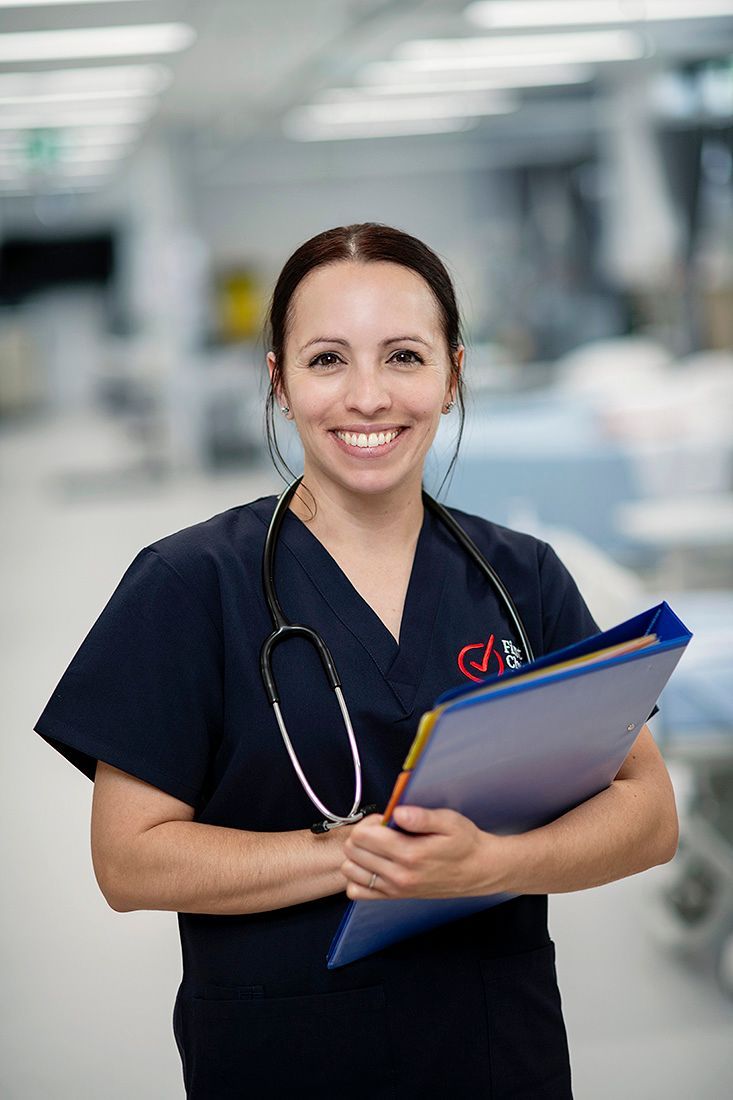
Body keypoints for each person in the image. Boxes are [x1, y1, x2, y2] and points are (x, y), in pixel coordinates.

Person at [34, 222, 679, 1099]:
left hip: (495, 1047)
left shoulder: (519, 576)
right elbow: (130, 861)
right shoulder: (188, 584)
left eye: (405, 357)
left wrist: (492, 865)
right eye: (329, 359)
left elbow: (646, 814)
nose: (367, 397)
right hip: (281, 1050)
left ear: (453, 376)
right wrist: (359, 858)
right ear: (280, 383)